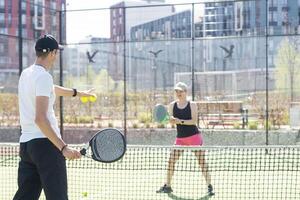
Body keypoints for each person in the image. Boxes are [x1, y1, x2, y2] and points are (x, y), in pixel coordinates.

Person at [13, 34, 96, 200]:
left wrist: (77, 93)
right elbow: (40, 119)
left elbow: (51, 89)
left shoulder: (26, 74)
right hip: (46, 146)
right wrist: (63, 148)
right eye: (56, 53)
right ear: (51, 53)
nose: (56, 56)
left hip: (27, 147)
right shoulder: (43, 76)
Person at [156, 82, 214, 196]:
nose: (178, 93)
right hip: (180, 139)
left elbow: (193, 121)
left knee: (202, 162)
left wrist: (179, 121)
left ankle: (209, 186)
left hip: (194, 138)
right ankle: (167, 186)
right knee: (171, 161)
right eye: (176, 91)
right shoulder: (172, 105)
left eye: (180, 91)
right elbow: (172, 121)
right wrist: (171, 121)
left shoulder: (192, 105)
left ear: (185, 92)